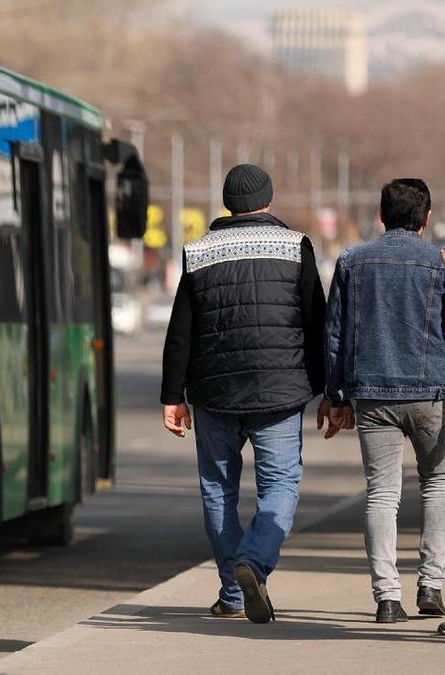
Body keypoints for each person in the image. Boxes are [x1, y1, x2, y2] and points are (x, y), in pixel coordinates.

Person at [160, 164, 327, 624]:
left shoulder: (199, 252)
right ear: (268, 200)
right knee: (281, 485)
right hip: (279, 391)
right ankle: (252, 561)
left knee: (218, 491)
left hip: (214, 393)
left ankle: (232, 593)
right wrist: (327, 390)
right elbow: (317, 322)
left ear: (227, 203)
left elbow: (181, 332)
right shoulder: (295, 246)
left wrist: (172, 395)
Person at [323, 178, 445, 623]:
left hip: (372, 394)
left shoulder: (353, 260)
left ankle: (387, 599)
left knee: (382, 493)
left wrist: (336, 396)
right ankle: (431, 585)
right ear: (426, 217)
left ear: (381, 215)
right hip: (433, 391)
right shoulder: (439, 262)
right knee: (437, 485)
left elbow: (335, 334)